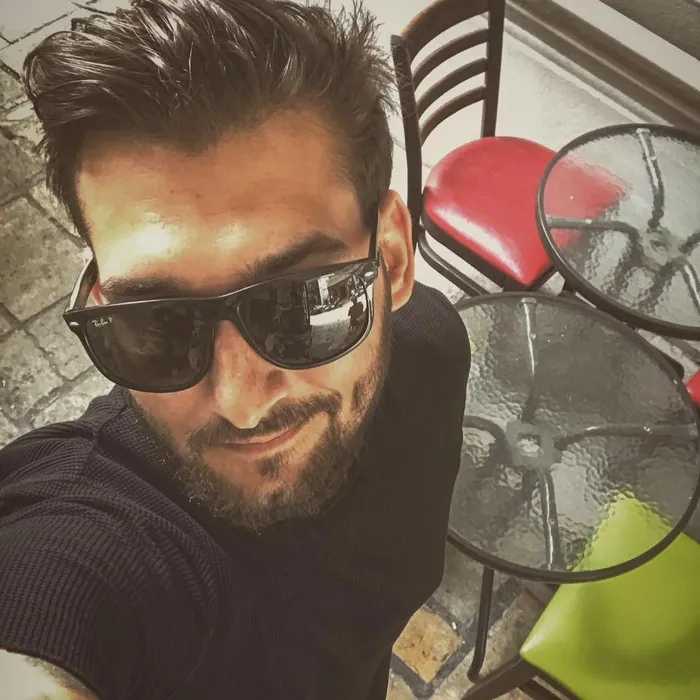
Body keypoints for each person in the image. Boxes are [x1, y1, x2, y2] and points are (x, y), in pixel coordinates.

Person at [0, 1, 471, 698]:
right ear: (99, 303)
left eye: (304, 302)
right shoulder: (91, 536)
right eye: (157, 322)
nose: (240, 402)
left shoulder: (433, 348)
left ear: (393, 262)